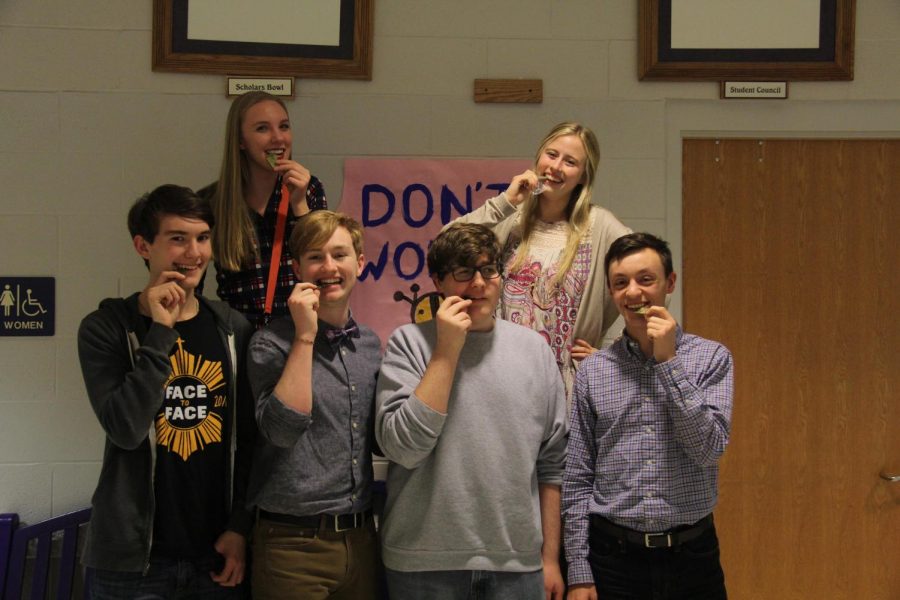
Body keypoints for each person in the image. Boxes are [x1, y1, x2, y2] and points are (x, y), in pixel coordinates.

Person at [77, 184, 255, 598]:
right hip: (132, 565)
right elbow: (125, 428)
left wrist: (240, 527)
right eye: (178, 239)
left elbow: (250, 442)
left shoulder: (233, 329)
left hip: (215, 556)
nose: (194, 253)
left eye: (203, 238)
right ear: (143, 245)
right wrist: (161, 332)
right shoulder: (106, 329)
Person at [376, 222, 569, 600]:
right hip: (423, 563)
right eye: (464, 272)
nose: (478, 284)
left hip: (517, 565)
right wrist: (447, 350)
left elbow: (552, 465)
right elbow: (403, 449)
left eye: (488, 270)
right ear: (438, 281)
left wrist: (549, 559)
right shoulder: (408, 344)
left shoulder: (535, 351)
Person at [562, 232, 734, 600]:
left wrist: (668, 361)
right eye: (621, 283)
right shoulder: (595, 372)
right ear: (612, 293)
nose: (634, 293)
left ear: (669, 283)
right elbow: (577, 477)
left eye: (646, 279)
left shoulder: (711, 359)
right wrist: (578, 570)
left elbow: (708, 449)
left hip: (693, 555)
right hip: (613, 559)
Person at [245, 210, 382, 599]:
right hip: (291, 544)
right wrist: (306, 335)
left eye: (339, 254)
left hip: (360, 539)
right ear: (296, 267)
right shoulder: (270, 344)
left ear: (360, 261)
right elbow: (282, 430)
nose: (329, 267)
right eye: (315, 257)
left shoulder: (370, 345)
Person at [451, 122, 630, 398]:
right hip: (500, 375)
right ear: (538, 158)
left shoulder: (600, 226)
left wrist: (619, 354)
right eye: (551, 154)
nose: (556, 167)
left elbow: (652, 278)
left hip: (565, 387)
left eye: (570, 162)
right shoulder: (511, 219)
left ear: (583, 175)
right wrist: (506, 202)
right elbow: (445, 245)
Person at [201, 91, 328, 327]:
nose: (278, 138)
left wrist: (299, 204)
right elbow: (192, 282)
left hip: (298, 330)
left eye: (284, 126)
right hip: (237, 335)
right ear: (240, 141)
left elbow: (323, 270)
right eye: (262, 129)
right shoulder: (212, 201)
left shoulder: (309, 189)